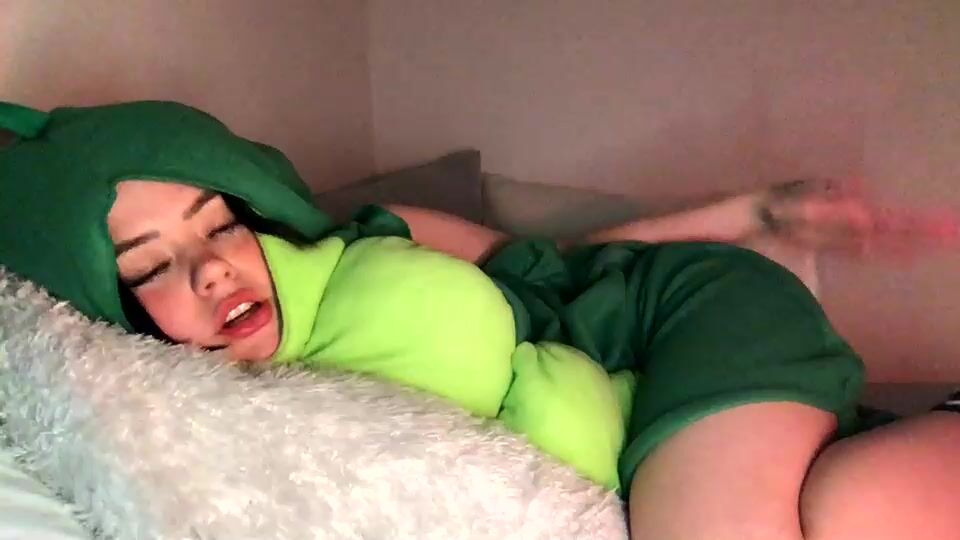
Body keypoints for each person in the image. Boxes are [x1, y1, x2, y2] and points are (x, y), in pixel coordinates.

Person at [1, 99, 958, 539]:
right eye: (151, 265)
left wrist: (757, 215)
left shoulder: (375, 242)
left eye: (219, 223)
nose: (211, 267)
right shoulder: (199, 410)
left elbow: (564, 265)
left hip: (683, 314)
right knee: (849, 509)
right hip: (662, 400)